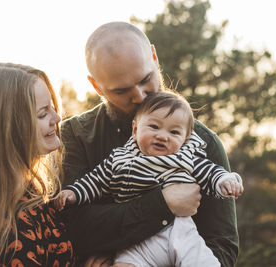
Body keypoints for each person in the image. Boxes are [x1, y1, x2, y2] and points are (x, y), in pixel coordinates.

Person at [61, 21, 239, 266]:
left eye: (146, 79)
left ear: (154, 57)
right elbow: (73, 230)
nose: (141, 95)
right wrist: (163, 203)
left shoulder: (203, 142)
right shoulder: (76, 135)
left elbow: (223, 247)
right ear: (96, 86)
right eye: (122, 91)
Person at [57, 91, 243, 266]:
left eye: (174, 132)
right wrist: (74, 192)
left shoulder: (186, 158)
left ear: (185, 139)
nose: (162, 136)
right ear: (135, 129)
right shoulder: (120, 159)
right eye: (154, 127)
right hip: (137, 240)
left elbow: (210, 172)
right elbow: (95, 181)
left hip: (180, 231)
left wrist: (224, 181)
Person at [0, 63, 75, 266]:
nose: (57, 117)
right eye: (43, 113)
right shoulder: (13, 233)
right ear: (6, 130)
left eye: (52, 107)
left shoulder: (25, 191)